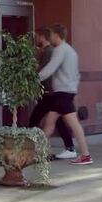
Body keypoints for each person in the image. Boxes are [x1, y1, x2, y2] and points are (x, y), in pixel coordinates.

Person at [37, 24, 92, 165]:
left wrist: (35, 78)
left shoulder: (60, 50)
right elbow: (76, 74)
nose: (50, 38)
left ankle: (85, 155)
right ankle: (35, 152)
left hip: (62, 93)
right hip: (66, 92)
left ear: (56, 35)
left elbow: (50, 68)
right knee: (49, 123)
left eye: (51, 35)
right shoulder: (71, 51)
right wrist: (73, 88)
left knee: (72, 124)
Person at [29, 27, 77, 160]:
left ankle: (31, 148)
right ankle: (70, 147)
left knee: (35, 120)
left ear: (43, 37)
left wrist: (34, 78)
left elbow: (45, 71)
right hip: (52, 93)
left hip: (50, 93)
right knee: (58, 122)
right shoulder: (48, 51)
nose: (36, 39)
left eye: (37, 36)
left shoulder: (51, 51)